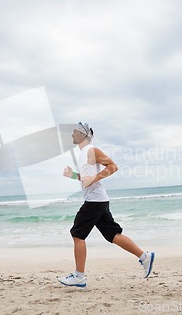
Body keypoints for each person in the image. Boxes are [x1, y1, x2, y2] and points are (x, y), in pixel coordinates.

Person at [57, 122, 155, 288]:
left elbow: (113, 166)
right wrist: (72, 175)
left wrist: (95, 178)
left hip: (94, 201)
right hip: (98, 200)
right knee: (113, 235)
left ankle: (79, 277)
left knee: (77, 234)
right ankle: (145, 257)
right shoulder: (82, 154)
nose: (72, 134)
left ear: (82, 134)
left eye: (74, 132)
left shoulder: (92, 150)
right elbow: (86, 178)